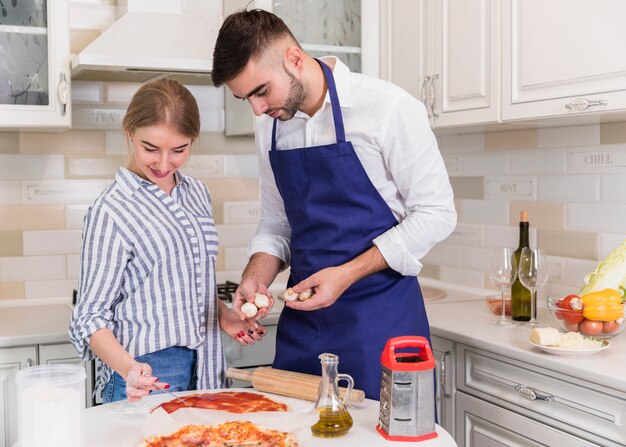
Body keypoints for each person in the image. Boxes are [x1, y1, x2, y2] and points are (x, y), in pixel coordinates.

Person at [211, 9, 456, 399]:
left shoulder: (387, 108)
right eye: (245, 99)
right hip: (304, 330)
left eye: (261, 91)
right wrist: (256, 276)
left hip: (381, 323)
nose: (257, 109)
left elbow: (438, 214)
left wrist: (344, 274)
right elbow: (277, 224)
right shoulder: (269, 129)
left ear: (294, 59)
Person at [69, 79, 266, 403]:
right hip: (145, 372)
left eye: (179, 150)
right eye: (150, 148)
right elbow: (88, 316)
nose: (163, 164)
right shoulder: (112, 210)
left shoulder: (196, 193)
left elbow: (180, 283)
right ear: (129, 130)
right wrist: (129, 369)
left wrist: (223, 315)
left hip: (206, 365)